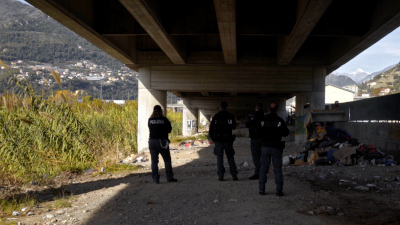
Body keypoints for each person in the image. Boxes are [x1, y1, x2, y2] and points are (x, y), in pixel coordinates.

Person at [258, 102, 289, 196]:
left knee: (263, 169)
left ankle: (261, 190)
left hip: (265, 147)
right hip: (276, 147)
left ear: (268, 110)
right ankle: (279, 190)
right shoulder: (280, 120)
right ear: (277, 110)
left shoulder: (263, 120)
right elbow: (285, 133)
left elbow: (258, 132)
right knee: (277, 169)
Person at [209, 101, 238, 181]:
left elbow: (211, 130)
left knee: (219, 158)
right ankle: (234, 175)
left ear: (220, 107)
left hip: (218, 140)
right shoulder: (231, 116)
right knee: (230, 158)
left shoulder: (216, 117)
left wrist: (214, 139)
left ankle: (221, 176)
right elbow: (234, 128)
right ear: (227, 107)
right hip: (228, 140)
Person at [148, 105, 177, 184]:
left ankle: (155, 179)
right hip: (162, 142)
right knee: (167, 160)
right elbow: (169, 130)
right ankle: (169, 177)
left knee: (154, 161)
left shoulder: (150, 120)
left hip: (152, 141)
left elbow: (150, 128)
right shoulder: (164, 120)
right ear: (161, 111)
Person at [245, 103, 265, 180]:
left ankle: (258, 173)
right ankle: (263, 172)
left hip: (255, 139)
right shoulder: (264, 117)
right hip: (263, 139)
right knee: (262, 156)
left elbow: (248, 124)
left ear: (256, 108)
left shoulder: (255, 116)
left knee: (256, 156)